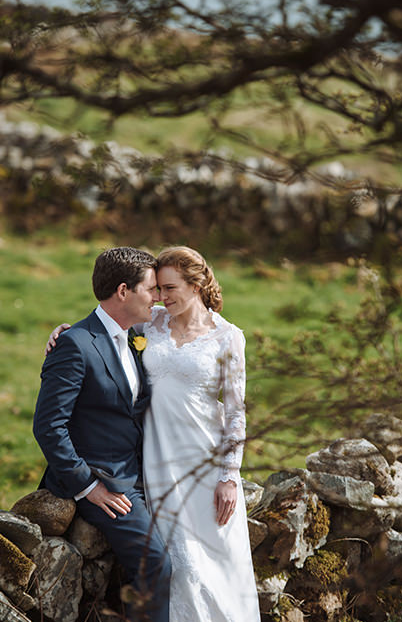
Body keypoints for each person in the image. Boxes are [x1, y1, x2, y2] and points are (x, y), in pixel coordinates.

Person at [47, 246, 260, 622]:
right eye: (157, 288)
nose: (161, 296)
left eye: (169, 287)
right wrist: (65, 331)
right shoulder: (154, 323)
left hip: (204, 458)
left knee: (208, 562)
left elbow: (236, 411)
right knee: (172, 560)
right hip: (156, 461)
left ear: (197, 284)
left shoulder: (228, 338)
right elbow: (105, 328)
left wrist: (230, 476)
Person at [33, 246, 172, 622]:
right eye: (151, 289)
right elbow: (48, 426)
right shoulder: (75, 345)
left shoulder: (134, 335)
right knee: (156, 562)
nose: (157, 298)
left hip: (142, 472)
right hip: (104, 482)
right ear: (123, 291)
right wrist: (88, 486)